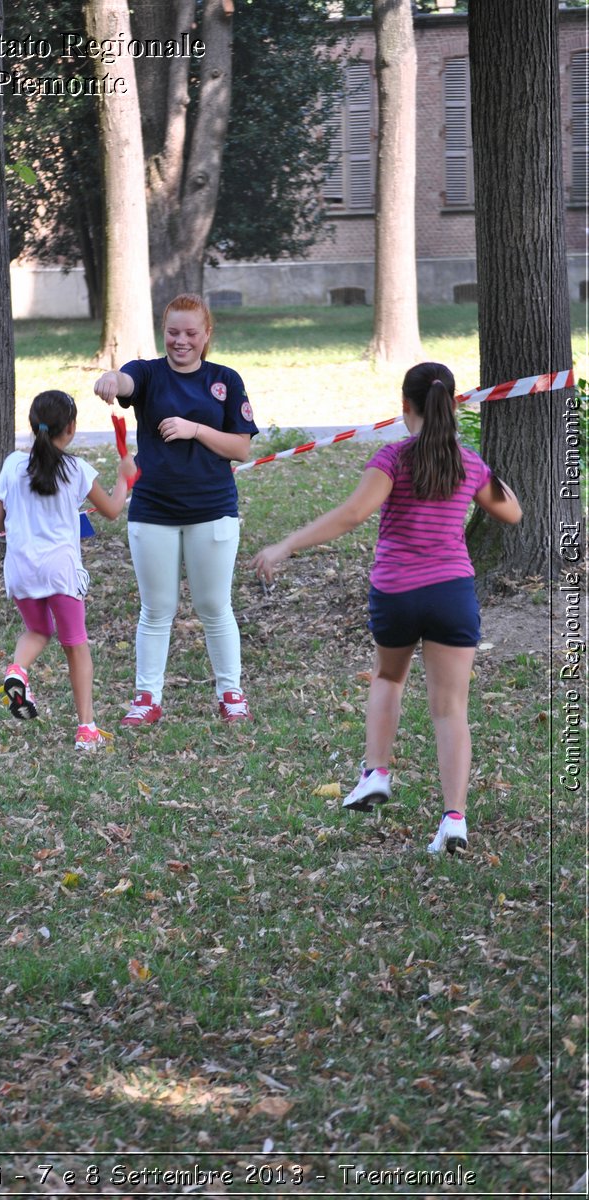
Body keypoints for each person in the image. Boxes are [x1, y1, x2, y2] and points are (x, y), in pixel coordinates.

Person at [251, 362, 522, 854]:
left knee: (388, 678)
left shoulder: (393, 458)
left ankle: (377, 771)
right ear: (453, 403)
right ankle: (454, 819)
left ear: (405, 406)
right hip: (452, 595)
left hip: (397, 593)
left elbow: (353, 514)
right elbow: (513, 510)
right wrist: (480, 463)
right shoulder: (467, 462)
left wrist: (286, 545)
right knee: (450, 709)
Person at [93, 293, 259, 726]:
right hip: (152, 511)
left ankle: (231, 694)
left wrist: (196, 429)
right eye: (172, 332)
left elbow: (241, 447)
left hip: (213, 509)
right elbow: (127, 382)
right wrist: (113, 378)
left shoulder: (225, 379)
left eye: (190, 333)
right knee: (156, 608)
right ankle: (147, 697)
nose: (180, 341)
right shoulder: (148, 374)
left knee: (213, 606)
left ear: (206, 335)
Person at [0, 389, 137, 751]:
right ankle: (86, 729)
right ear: (71, 428)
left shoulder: (12, 464)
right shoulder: (76, 470)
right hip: (61, 572)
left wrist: (21, 522)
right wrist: (125, 476)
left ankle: (17, 671)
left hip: (21, 569)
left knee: (37, 630)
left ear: (32, 424)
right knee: (76, 646)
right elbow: (113, 509)